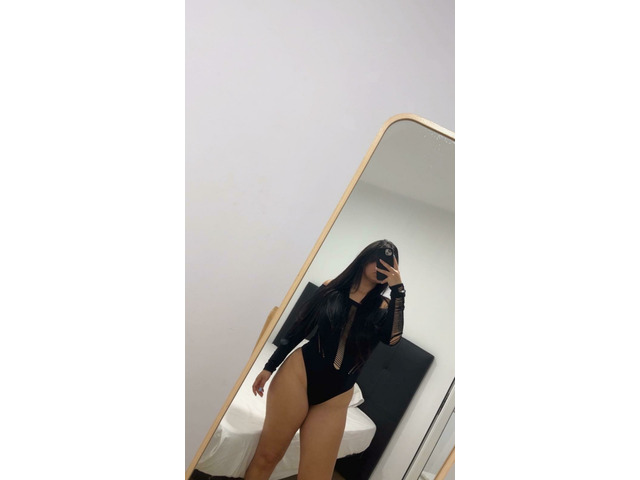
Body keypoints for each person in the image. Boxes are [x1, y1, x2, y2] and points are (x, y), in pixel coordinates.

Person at [244, 239, 406, 480]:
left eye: (388, 263)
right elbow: (299, 328)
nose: (381, 267)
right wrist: (269, 367)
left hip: (336, 396)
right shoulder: (331, 289)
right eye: (377, 260)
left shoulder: (385, 308)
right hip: (299, 375)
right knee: (267, 456)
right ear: (364, 259)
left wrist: (398, 290)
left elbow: (392, 339)